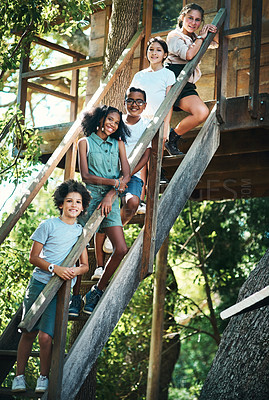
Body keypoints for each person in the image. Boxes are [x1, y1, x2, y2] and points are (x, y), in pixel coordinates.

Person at [11, 180, 91, 393]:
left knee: (46, 337)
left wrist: (74, 271)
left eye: (78, 202)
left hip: (60, 290)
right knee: (28, 331)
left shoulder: (81, 232)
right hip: (39, 284)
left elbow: (85, 266)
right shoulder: (48, 225)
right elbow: (34, 257)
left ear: (83, 207)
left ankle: (43, 378)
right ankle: (18, 377)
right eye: (69, 201)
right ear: (61, 204)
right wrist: (54, 268)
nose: (73, 205)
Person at [72, 105, 131, 316]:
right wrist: (113, 182)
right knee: (79, 249)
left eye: (116, 122)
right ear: (101, 118)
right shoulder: (84, 142)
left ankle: (97, 291)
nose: (112, 125)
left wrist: (112, 192)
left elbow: (126, 174)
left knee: (121, 249)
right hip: (89, 199)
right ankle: (75, 297)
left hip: (111, 199)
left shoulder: (119, 144)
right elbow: (86, 176)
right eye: (110, 120)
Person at [90, 87, 152, 282]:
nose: (135, 104)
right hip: (108, 172)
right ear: (125, 102)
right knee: (102, 213)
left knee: (133, 202)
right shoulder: (115, 122)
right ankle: (99, 266)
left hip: (131, 174)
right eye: (131, 100)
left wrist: (128, 175)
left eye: (139, 101)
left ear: (145, 105)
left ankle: (116, 230)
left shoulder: (147, 125)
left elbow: (147, 154)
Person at [164, 2, 218, 155]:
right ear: (182, 17)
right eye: (190, 18)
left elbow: (216, 44)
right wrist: (201, 36)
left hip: (186, 82)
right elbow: (188, 55)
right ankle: (157, 167)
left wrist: (213, 31)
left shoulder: (196, 37)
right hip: (172, 81)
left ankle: (172, 138)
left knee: (201, 112)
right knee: (162, 125)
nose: (193, 23)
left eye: (198, 20)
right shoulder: (174, 36)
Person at [130, 36, 176, 185]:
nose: (154, 53)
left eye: (158, 50)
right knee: (140, 163)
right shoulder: (140, 75)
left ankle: (157, 178)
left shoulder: (168, 74)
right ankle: (140, 199)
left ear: (165, 55)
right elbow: (131, 98)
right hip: (140, 121)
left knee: (154, 157)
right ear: (146, 53)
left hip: (158, 121)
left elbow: (169, 102)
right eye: (151, 49)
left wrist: (166, 126)